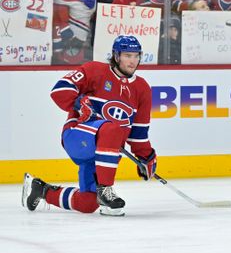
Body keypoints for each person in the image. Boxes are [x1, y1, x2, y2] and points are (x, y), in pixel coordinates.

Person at [22, 35, 157, 216]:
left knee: (87, 204)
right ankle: (106, 189)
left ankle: (41, 190)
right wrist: (79, 103)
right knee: (112, 128)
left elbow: (138, 132)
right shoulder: (95, 70)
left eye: (136, 56)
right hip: (78, 136)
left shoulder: (142, 88)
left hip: (104, 153)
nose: (132, 61)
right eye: (127, 55)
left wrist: (146, 156)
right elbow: (59, 89)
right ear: (116, 56)